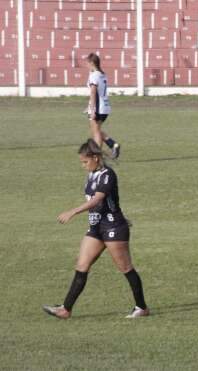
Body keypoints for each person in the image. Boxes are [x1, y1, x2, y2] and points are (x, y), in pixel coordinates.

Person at [43, 139, 148, 319]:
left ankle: (142, 307)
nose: (83, 165)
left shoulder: (108, 174)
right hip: (96, 227)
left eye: (85, 161)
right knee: (81, 266)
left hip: (113, 227)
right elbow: (108, 201)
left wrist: (73, 211)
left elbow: (97, 199)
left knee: (125, 268)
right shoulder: (91, 175)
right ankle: (65, 309)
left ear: (96, 158)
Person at [85, 53, 120, 159]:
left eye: (87, 63)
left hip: (98, 107)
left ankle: (97, 156)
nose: (86, 65)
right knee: (96, 129)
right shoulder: (102, 74)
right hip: (105, 106)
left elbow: (93, 92)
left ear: (91, 63)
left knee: (95, 132)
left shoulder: (94, 75)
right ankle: (113, 144)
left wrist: (92, 109)